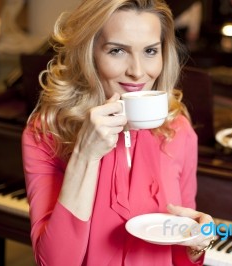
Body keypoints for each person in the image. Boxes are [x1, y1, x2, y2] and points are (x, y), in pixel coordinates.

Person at [21, 0, 214, 265]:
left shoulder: (178, 129)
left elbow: (180, 253)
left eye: (149, 51)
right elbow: (55, 262)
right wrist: (84, 155)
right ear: (89, 53)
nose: (137, 71)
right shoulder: (45, 133)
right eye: (117, 51)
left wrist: (196, 246)